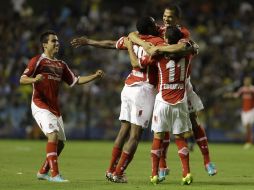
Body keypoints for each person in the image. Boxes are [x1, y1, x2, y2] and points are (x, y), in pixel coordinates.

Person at [71, 17, 192, 183]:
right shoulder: (157, 42)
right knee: (135, 135)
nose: (157, 25)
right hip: (144, 90)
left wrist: (89, 42)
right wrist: (191, 47)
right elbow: (172, 51)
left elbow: (111, 44)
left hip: (128, 87)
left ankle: (110, 169)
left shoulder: (132, 38)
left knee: (123, 130)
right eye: (154, 24)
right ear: (150, 28)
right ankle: (119, 172)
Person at [128, 4, 217, 179]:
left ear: (177, 18)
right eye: (164, 15)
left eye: (170, 16)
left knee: (193, 121)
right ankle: (163, 166)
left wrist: (157, 49)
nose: (166, 19)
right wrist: (144, 43)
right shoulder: (159, 30)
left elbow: (181, 48)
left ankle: (207, 161)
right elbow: (131, 35)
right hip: (162, 86)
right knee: (163, 127)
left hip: (184, 86)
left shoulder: (183, 33)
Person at [20, 30, 104, 182]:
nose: (57, 43)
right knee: (52, 134)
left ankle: (42, 172)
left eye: (57, 41)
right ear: (44, 45)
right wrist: (34, 80)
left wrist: (94, 76)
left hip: (54, 108)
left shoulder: (61, 65)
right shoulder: (37, 60)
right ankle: (54, 175)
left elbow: (75, 81)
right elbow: (22, 79)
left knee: (60, 144)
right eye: (53, 41)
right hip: (40, 104)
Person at [126, 25, 194, 185]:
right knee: (180, 138)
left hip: (162, 100)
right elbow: (191, 47)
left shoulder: (159, 54)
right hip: (180, 101)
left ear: (166, 39)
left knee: (158, 137)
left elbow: (138, 63)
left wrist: (135, 47)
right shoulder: (187, 54)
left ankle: (154, 174)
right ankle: (186, 173)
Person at [224, 76, 254, 149]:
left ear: (250, 81)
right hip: (244, 111)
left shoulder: (252, 89)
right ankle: (249, 141)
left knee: (248, 125)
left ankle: (248, 142)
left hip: (251, 110)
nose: (246, 82)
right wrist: (228, 95)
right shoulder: (242, 89)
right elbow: (236, 95)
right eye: (245, 80)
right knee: (246, 127)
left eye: (248, 80)